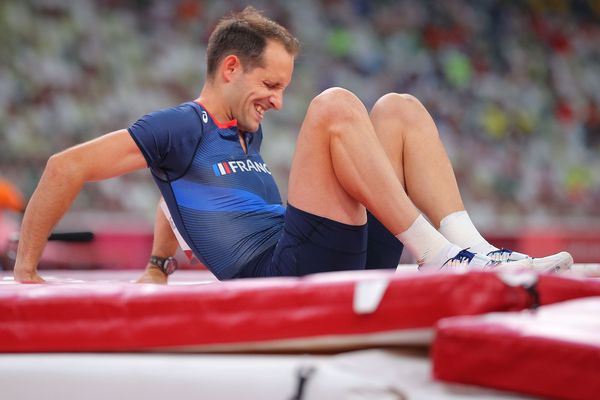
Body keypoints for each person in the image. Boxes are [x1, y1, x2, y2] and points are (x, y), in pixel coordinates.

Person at [14, 7, 572, 284]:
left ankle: (468, 247)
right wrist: (25, 274)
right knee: (333, 105)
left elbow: (176, 192)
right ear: (230, 68)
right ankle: (440, 258)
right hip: (286, 268)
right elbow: (66, 166)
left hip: (321, 254)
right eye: (271, 85)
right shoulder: (177, 127)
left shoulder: (238, 129)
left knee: (399, 108)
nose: (278, 101)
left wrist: (160, 262)